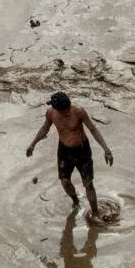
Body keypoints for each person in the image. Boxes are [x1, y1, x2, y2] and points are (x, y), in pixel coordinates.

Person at [25, 91, 114, 221]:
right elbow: (45, 128)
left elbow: (93, 129)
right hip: (64, 151)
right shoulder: (51, 113)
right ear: (56, 109)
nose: (67, 112)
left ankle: (95, 212)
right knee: (65, 181)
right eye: (64, 111)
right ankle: (76, 202)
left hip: (82, 150)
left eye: (68, 109)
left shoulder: (79, 111)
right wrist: (33, 144)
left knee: (88, 183)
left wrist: (106, 149)